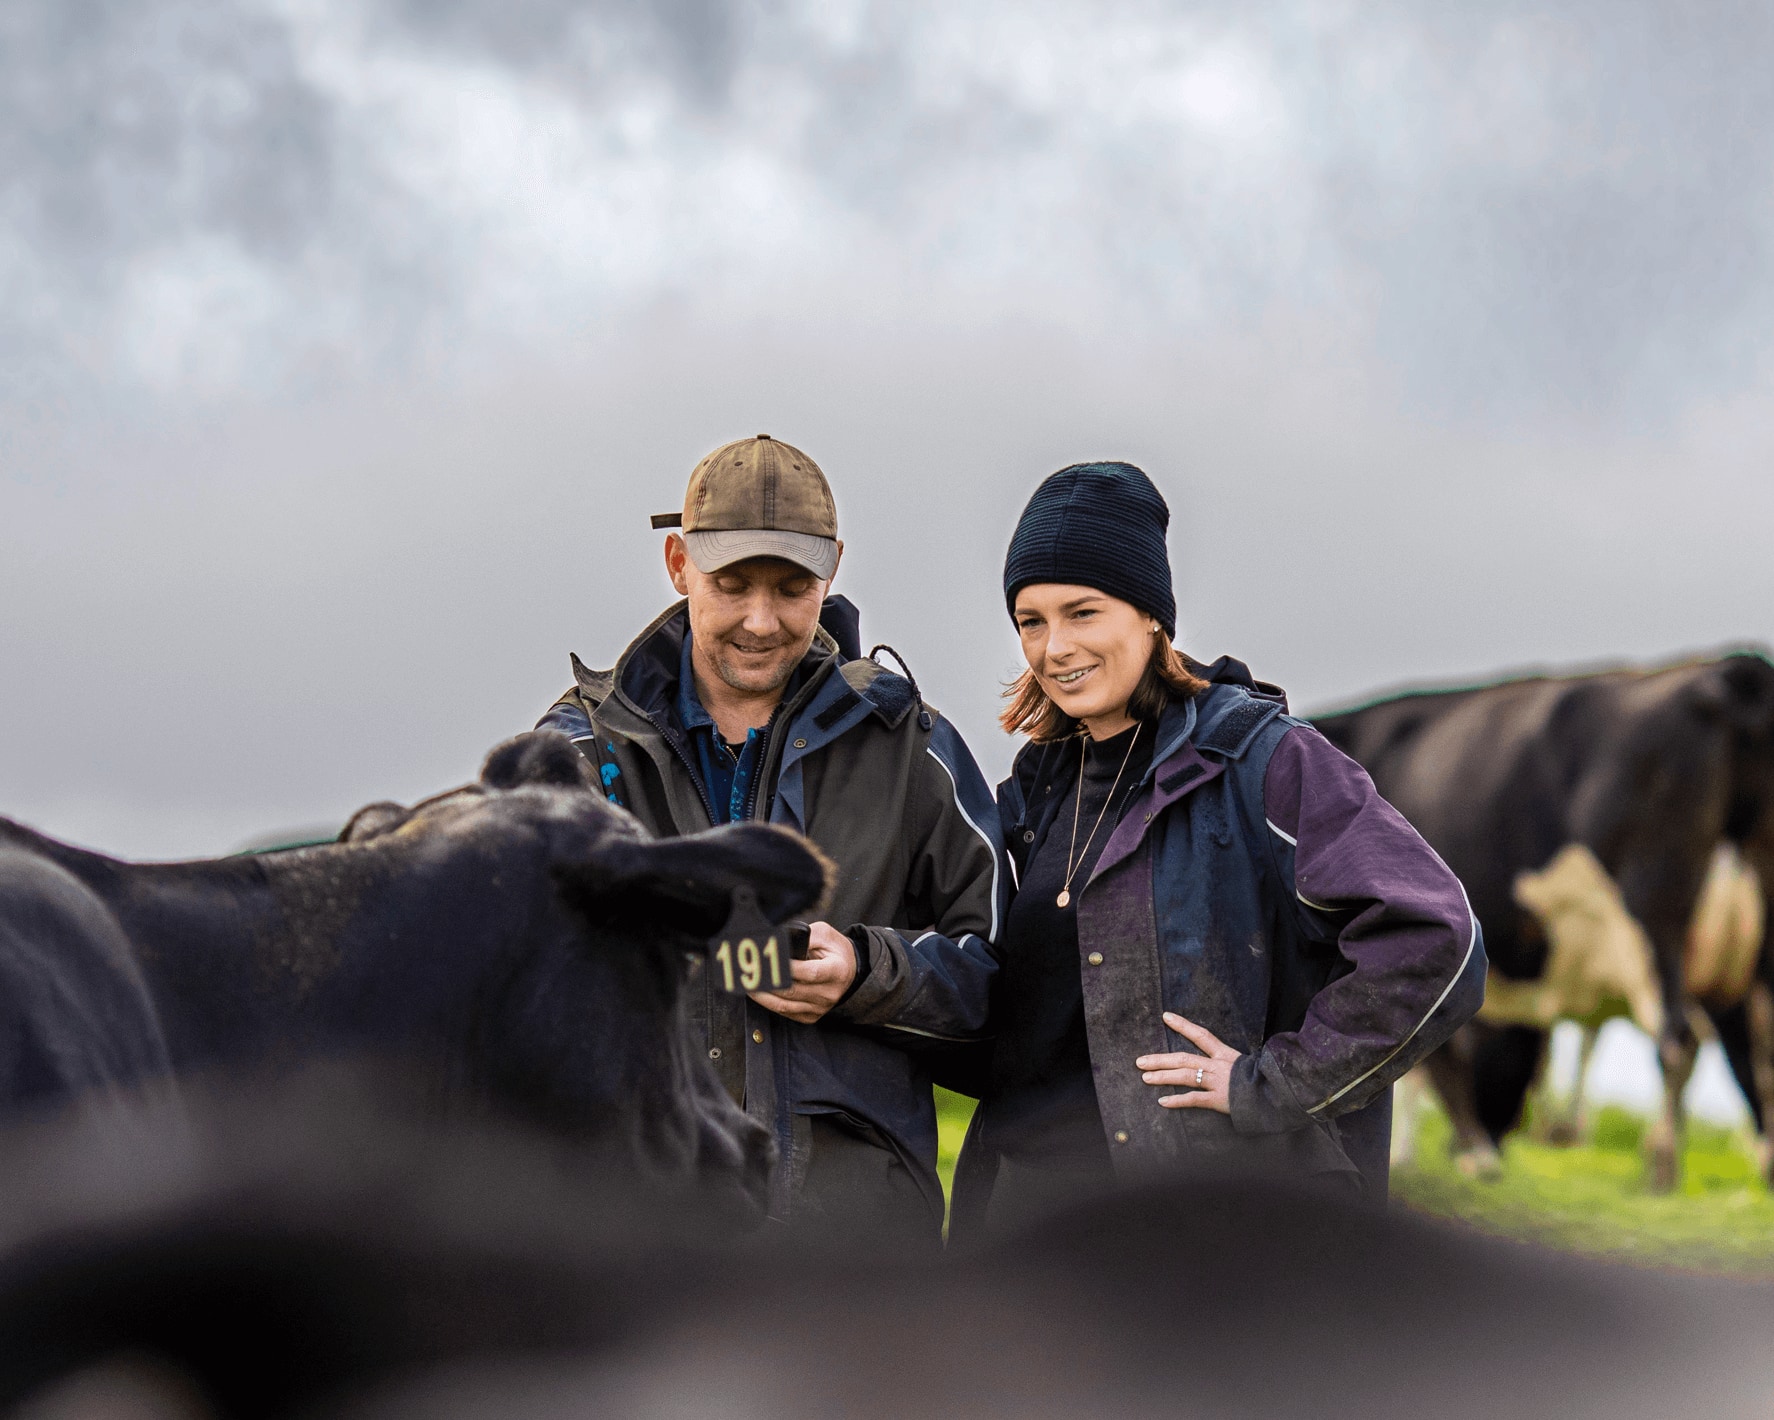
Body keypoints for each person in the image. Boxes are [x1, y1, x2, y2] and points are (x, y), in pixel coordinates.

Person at [951, 461, 1485, 1237]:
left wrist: (1272, 1083)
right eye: (1030, 621)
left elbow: (1437, 938)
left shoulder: (1266, 761)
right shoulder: (1037, 789)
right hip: (1028, 1232)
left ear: (1151, 617)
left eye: (1083, 612)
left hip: (1211, 1237)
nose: (1054, 646)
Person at [537, 434, 1005, 1244]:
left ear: (832, 569)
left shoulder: (912, 747)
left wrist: (868, 972)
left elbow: (1002, 981)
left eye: (792, 588)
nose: (761, 620)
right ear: (679, 564)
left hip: (856, 1257)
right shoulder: (575, 755)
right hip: (634, 1247)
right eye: (731, 584)